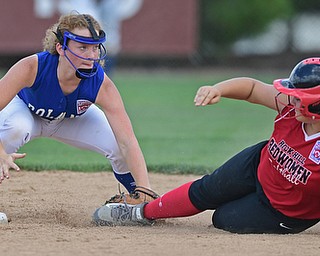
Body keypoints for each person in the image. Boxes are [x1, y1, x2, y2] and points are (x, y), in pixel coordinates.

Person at [93, 57, 320, 234]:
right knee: (208, 189)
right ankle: (141, 213)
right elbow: (252, 88)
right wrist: (218, 89)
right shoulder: (292, 109)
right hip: (259, 165)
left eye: (300, 97)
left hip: (283, 210)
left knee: (222, 218)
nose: (292, 100)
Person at [0, 13, 153, 214]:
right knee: (13, 130)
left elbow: (127, 140)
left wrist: (146, 190)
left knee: (117, 145)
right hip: (26, 112)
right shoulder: (32, 67)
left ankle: (138, 198)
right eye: (83, 47)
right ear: (61, 48)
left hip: (69, 120)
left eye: (95, 47)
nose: (91, 55)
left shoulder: (100, 83)